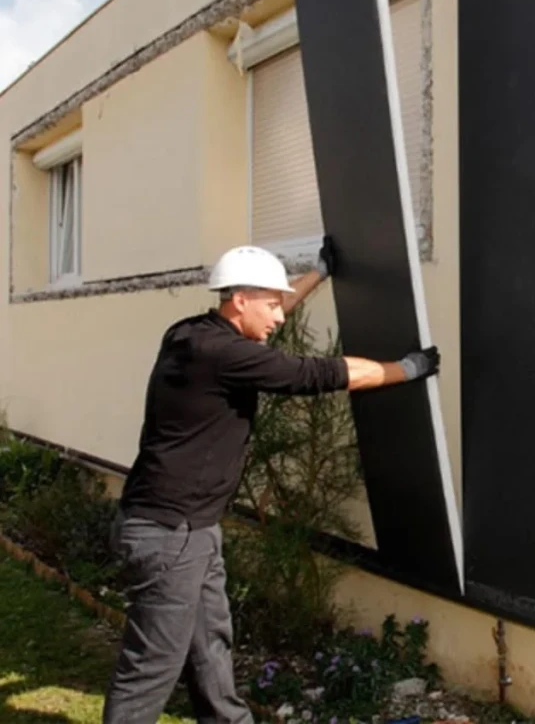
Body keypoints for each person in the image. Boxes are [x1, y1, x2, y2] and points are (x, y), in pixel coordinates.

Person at [103, 237, 438, 723]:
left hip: (189, 529)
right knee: (152, 666)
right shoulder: (225, 355)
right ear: (240, 301)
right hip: (169, 534)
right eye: (271, 305)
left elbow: (275, 311)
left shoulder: (191, 334)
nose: (281, 316)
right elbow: (321, 374)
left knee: (209, 649)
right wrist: (407, 369)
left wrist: (318, 273)